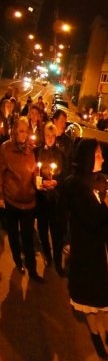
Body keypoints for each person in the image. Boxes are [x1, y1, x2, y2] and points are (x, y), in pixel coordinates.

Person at [62, 138, 108, 360]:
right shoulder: (74, 184)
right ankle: (95, 335)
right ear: (87, 157)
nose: (102, 159)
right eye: (98, 155)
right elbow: (90, 218)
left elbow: (100, 217)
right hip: (86, 252)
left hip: (100, 250)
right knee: (90, 300)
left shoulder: (96, 181)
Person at [0, 117, 43, 281]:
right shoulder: (5, 149)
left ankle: (33, 270)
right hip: (12, 200)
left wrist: (39, 181)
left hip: (28, 201)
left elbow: (34, 171)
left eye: (26, 131)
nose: (24, 134)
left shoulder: (31, 150)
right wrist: (1, 196)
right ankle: (18, 261)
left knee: (28, 237)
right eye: (21, 131)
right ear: (14, 131)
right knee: (13, 234)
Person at [35, 122, 67, 275]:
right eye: (47, 135)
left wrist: (56, 182)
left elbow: (65, 175)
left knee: (56, 233)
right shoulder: (38, 152)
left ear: (55, 136)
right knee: (42, 230)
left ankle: (58, 262)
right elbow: (34, 171)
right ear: (44, 136)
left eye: (52, 135)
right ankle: (47, 255)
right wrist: (40, 182)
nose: (49, 138)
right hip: (42, 199)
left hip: (55, 200)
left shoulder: (61, 154)